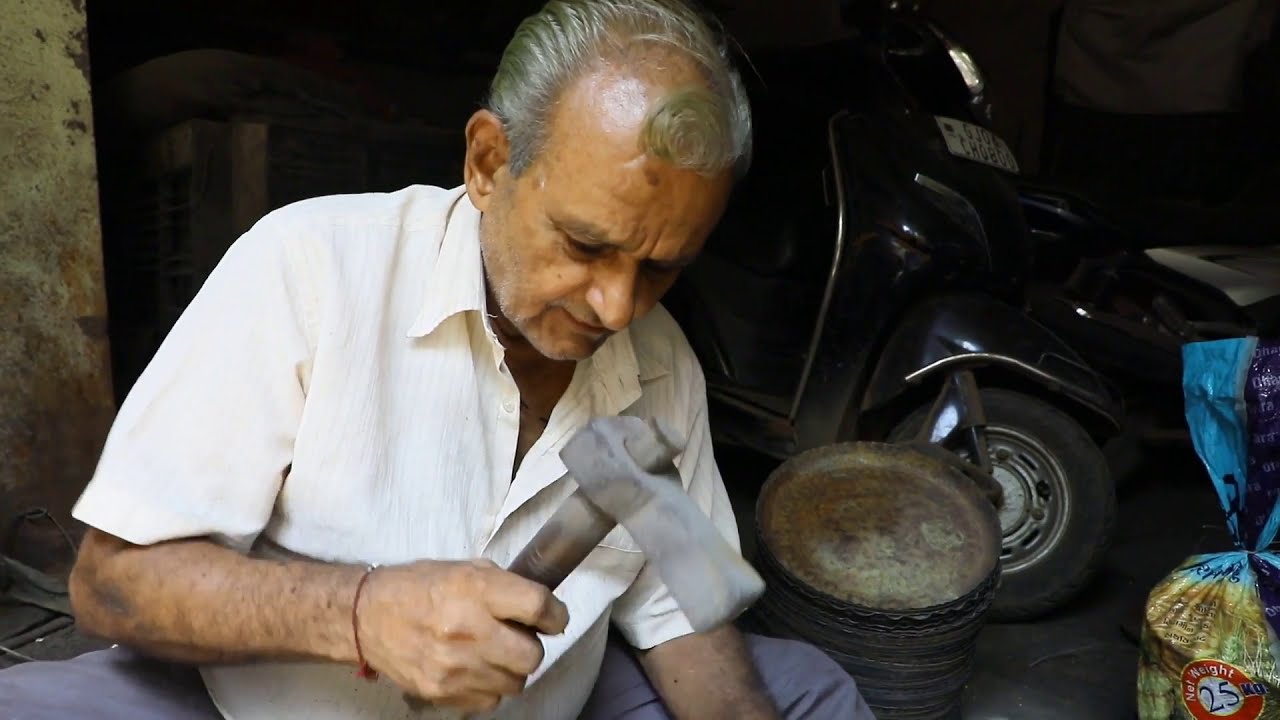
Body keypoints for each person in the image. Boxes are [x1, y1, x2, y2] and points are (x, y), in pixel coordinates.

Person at [0, 1, 875, 718]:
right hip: (261, 708)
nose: (616, 306)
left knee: (807, 690)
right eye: (583, 243)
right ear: (489, 162)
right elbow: (111, 586)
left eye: (662, 267)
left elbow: (683, 612)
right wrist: (361, 613)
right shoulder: (312, 269)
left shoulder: (661, 368)